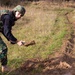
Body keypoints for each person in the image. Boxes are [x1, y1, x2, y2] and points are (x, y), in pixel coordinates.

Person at [0, 5, 26, 72]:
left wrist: (13, 41)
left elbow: (3, 30)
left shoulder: (9, 17)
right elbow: (7, 32)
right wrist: (17, 41)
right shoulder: (8, 18)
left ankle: (4, 67)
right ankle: (4, 67)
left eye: (21, 15)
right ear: (15, 11)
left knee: (3, 49)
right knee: (3, 49)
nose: (19, 16)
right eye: (19, 13)